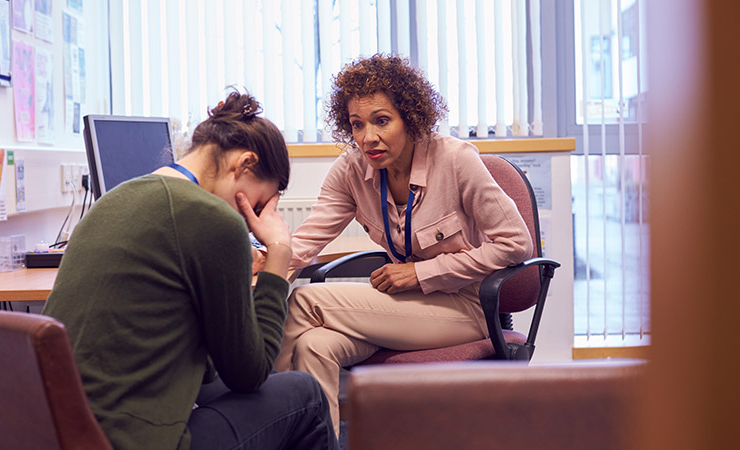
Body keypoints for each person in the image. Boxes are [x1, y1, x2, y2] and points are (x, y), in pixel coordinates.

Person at [42, 91, 339, 450]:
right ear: (244, 164)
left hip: (61, 433)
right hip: (132, 441)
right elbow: (251, 373)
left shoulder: (114, 200)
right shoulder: (212, 220)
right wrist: (278, 251)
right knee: (304, 393)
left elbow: (207, 366)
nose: (251, 224)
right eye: (257, 206)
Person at [272, 54, 534, 435]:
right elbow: (308, 239)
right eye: (356, 125)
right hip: (405, 309)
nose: (368, 137)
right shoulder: (351, 171)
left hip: (465, 306)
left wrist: (421, 272)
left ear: (411, 118)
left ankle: (266, 422)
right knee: (314, 346)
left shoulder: (456, 160)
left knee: (304, 300)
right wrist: (263, 261)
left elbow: (516, 244)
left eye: (381, 121)